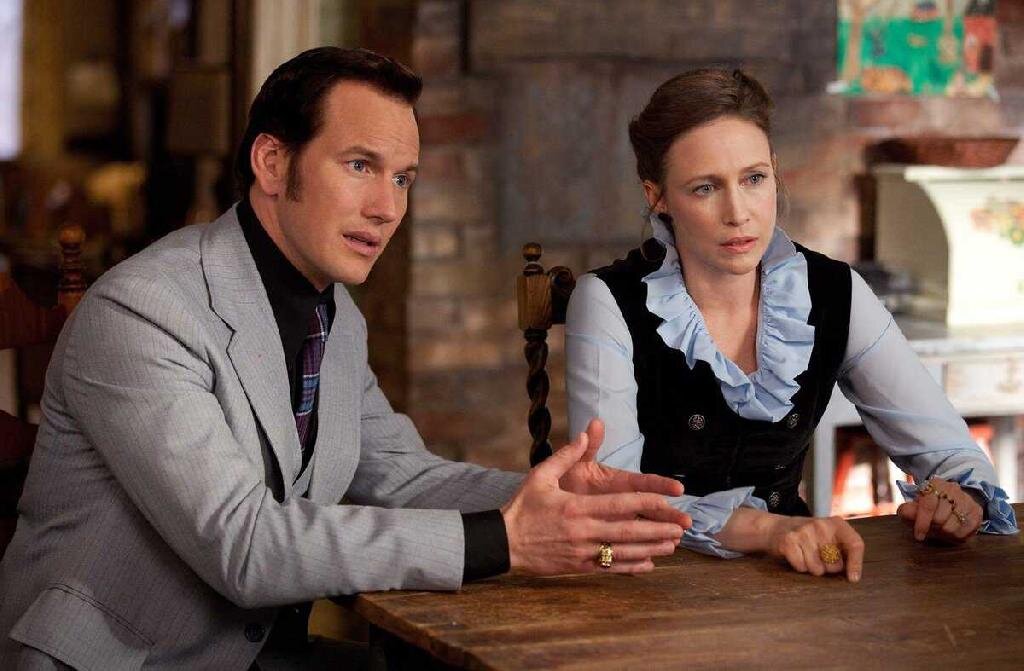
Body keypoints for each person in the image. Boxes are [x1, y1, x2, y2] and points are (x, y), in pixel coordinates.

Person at [0, 48, 692, 670]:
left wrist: (555, 501)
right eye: (361, 166)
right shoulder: (144, 309)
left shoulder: (334, 313)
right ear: (273, 163)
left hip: (259, 652)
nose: (387, 207)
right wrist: (505, 539)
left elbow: (397, 474)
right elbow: (244, 545)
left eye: (404, 178)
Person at [566, 68, 1018, 584]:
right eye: (705, 188)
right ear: (658, 196)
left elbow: (952, 454)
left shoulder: (835, 290)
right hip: (647, 584)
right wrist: (767, 529)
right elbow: (612, 497)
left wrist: (960, 500)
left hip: (794, 579)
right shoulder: (607, 300)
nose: (738, 213)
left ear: (774, 172)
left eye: (754, 179)